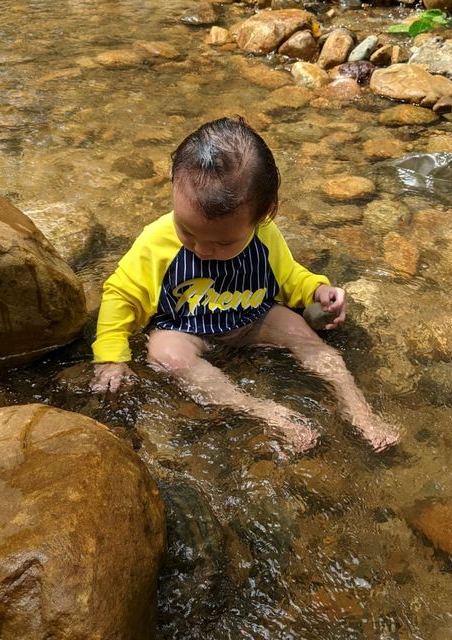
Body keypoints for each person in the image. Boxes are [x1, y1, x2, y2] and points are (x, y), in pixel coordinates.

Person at [91, 117, 399, 453]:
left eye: (223, 243)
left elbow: (287, 276)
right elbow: (121, 295)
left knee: (302, 331)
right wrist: (111, 356)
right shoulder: (156, 242)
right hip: (187, 328)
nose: (203, 249)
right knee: (165, 354)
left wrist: (317, 292)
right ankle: (264, 412)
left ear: (264, 215)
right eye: (187, 232)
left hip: (252, 318)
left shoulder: (264, 235)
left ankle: (358, 410)